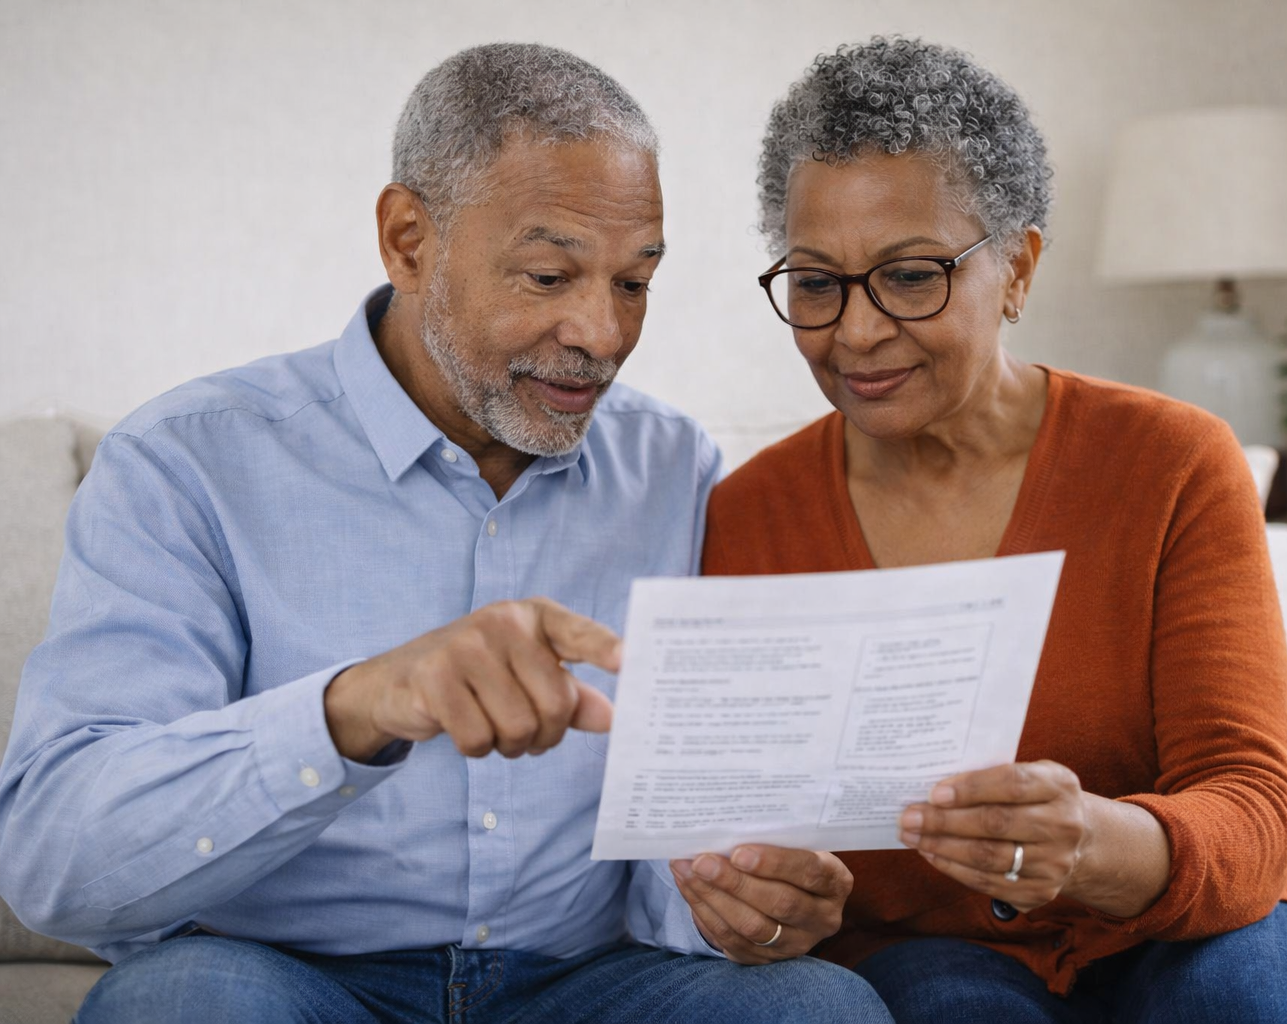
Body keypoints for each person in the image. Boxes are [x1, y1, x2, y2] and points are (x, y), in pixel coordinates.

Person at [0, 43, 889, 1024]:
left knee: (818, 1005)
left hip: (586, 983)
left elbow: (685, 844)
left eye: (634, 283)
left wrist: (736, 895)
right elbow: (54, 867)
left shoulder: (680, 470)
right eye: (549, 276)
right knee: (180, 1008)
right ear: (408, 239)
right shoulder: (187, 463)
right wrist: (361, 705)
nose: (602, 333)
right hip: (288, 977)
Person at [702, 36, 1287, 1024]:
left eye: (909, 276)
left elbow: (1250, 806)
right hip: (937, 949)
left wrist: (1093, 845)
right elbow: (752, 835)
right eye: (815, 282)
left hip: (1211, 917)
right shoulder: (750, 514)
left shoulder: (1171, 462)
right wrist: (755, 898)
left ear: (1016, 268)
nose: (853, 333)